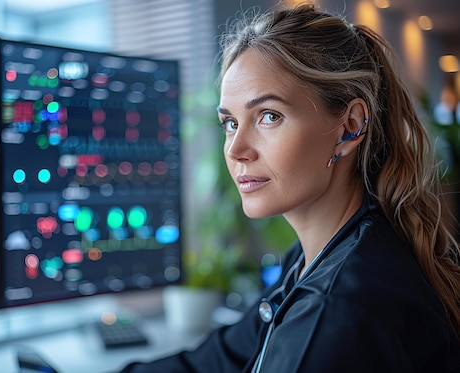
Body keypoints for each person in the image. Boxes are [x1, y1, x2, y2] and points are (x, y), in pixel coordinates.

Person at [121, 3, 460, 372]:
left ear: (350, 126)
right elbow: (217, 359)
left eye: (269, 116)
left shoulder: (338, 314)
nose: (236, 150)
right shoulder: (314, 258)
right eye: (231, 123)